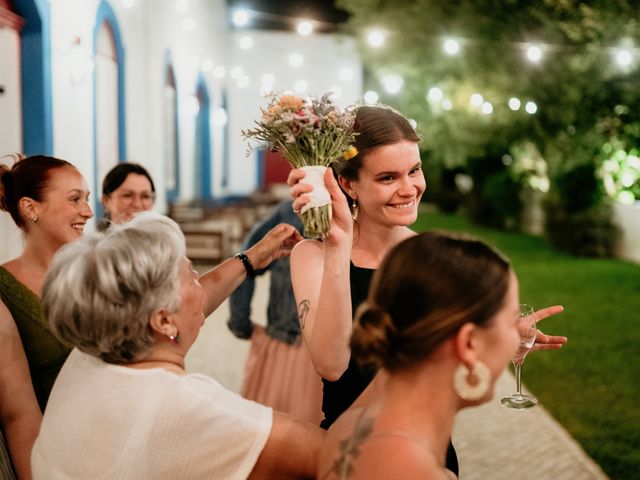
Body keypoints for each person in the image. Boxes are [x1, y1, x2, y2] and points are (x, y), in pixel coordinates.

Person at [288, 104, 567, 474]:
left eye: (415, 170)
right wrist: (339, 244)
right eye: (388, 177)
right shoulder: (312, 255)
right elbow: (331, 365)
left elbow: (446, 357)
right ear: (348, 184)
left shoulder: (432, 255)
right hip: (350, 451)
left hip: (427, 447)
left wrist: (496, 335)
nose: (409, 189)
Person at [32, 212, 323, 479]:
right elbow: (332, 452)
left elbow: (186, 304)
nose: (200, 281)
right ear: (163, 321)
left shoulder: (89, 351)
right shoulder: (188, 407)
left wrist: (250, 259)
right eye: (191, 275)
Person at [318, 231, 522, 479]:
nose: (515, 341)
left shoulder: (347, 427)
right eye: (513, 321)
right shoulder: (415, 471)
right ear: (468, 342)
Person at [0, 154, 93, 479]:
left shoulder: (96, 272)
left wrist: (253, 256)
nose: (88, 211)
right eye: (75, 199)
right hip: (60, 456)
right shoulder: (4, 292)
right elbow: (18, 415)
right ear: (30, 208)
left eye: (87, 199)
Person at [228, 199, 323, 424]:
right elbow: (248, 259)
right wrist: (241, 321)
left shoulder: (362, 214)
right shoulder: (289, 213)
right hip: (284, 346)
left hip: (339, 355)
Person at [98, 162, 156, 230]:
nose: (137, 204)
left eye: (145, 196)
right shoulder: (96, 240)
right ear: (106, 200)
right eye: (127, 195)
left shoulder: (166, 239)